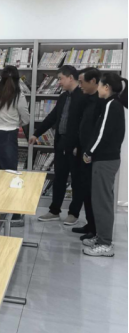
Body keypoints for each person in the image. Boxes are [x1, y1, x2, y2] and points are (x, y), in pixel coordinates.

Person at [29, 65, 85, 225]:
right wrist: (36, 134)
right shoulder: (63, 97)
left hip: (76, 147)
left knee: (77, 180)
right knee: (59, 178)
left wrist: (80, 145)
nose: (59, 82)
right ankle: (54, 211)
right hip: (61, 143)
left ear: (70, 78)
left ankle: (73, 213)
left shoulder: (83, 97)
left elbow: (85, 125)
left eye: (60, 78)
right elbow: (52, 118)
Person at [82, 73, 127, 258]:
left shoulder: (111, 105)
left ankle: (105, 244)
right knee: (101, 200)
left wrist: (89, 152)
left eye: (100, 85)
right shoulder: (114, 104)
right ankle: (101, 237)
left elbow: (102, 133)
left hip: (105, 160)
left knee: (102, 203)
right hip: (107, 160)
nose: (98, 89)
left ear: (106, 87)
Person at [0, 66, 31, 224]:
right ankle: (13, 213)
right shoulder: (18, 95)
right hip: (8, 135)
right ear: (18, 79)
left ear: (0, 78)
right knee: (10, 174)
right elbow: (26, 119)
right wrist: (15, 122)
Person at [73, 68, 103, 240]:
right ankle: (90, 224)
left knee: (93, 191)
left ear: (93, 81)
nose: (80, 85)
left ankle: (95, 228)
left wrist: (90, 150)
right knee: (84, 188)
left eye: (82, 82)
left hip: (93, 154)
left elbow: (98, 131)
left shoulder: (101, 102)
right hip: (83, 150)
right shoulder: (86, 99)